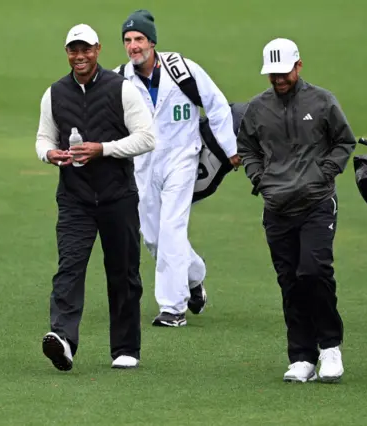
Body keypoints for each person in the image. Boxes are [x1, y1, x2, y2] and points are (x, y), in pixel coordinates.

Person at [35, 24, 156, 371]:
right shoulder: (54, 94)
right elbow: (44, 137)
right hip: (75, 198)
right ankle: (63, 339)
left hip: (118, 196)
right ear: (67, 53)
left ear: (98, 49)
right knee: (69, 269)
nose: (80, 56)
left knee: (123, 273)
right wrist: (49, 155)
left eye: (85, 49)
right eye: (74, 50)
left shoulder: (122, 90)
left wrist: (103, 149)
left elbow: (147, 138)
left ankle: (125, 348)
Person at [237, 38, 356, 383]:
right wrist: (260, 179)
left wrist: (323, 174)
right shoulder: (257, 108)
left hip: (316, 202)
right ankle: (302, 356)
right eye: (273, 74)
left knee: (314, 271)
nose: (278, 79)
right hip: (276, 207)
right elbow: (247, 147)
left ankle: (330, 346)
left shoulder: (321, 101)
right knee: (289, 281)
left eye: (284, 72)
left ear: (298, 66)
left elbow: (344, 141)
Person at [117, 10, 240, 327]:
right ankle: (194, 277)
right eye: (128, 40)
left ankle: (173, 309)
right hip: (141, 164)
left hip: (182, 157)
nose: (133, 46)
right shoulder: (119, 79)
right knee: (153, 237)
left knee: (172, 229)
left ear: (152, 41)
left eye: (139, 39)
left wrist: (231, 150)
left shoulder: (182, 69)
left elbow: (216, 104)